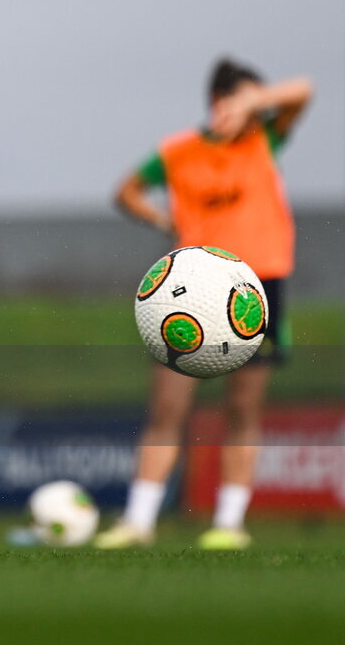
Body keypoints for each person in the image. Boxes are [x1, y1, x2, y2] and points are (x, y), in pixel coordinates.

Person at [96, 59, 312, 550]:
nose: (257, 110)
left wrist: (259, 100)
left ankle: (230, 523)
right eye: (245, 101)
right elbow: (126, 191)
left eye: (260, 104)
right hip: (189, 288)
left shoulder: (264, 138)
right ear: (219, 104)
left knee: (243, 407)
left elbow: (304, 90)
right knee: (168, 407)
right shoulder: (177, 151)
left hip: (259, 287)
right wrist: (160, 220)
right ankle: (138, 522)